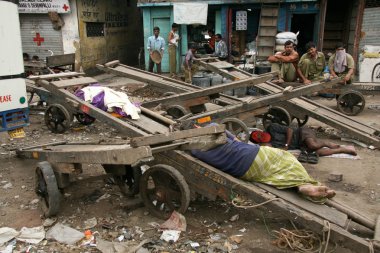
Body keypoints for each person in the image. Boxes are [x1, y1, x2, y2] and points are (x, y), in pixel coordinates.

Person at [190, 124, 336, 203]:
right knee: (286, 158)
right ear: (198, 127)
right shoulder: (214, 127)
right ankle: (303, 184)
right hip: (252, 154)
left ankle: (302, 185)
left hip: (243, 171)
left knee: (272, 174)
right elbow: (237, 140)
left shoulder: (195, 150)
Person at [250, 123, 357, 163]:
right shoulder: (271, 145)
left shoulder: (271, 128)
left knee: (312, 145)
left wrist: (286, 145)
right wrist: (267, 146)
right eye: (258, 138)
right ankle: (342, 150)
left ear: (260, 131)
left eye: (259, 133)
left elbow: (290, 130)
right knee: (317, 153)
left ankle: (325, 143)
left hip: (302, 133)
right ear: (259, 142)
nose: (260, 136)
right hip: (300, 145)